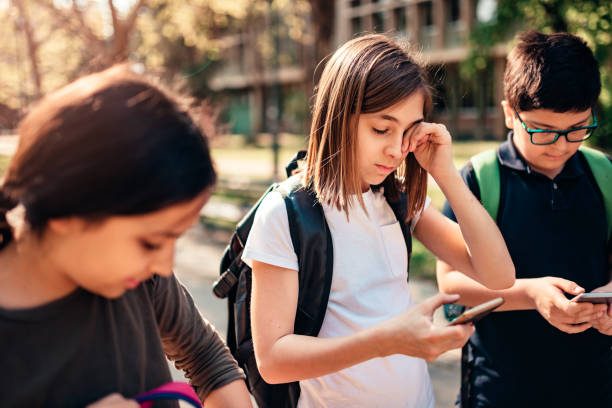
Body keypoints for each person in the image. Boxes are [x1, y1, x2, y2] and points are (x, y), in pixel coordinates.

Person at [242, 34, 515, 408]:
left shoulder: (397, 197)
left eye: (408, 131)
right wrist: (386, 341)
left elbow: (499, 276)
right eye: (381, 129)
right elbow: (273, 360)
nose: (395, 148)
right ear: (338, 116)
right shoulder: (285, 213)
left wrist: (445, 174)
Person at [0, 66, 252, 408]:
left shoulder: (140, 280)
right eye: (150, 243)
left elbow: (208, 361)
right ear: (69, 212)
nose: (164, 266)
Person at [437, 31, 612, 408]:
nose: (562, 145)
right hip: (499, 387)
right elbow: (450, 282)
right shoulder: (479, 180)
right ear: (509, 114)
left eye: (578, 128)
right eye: (543, 131)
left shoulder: (605, 174)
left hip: (594, 385)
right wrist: (531, 295)